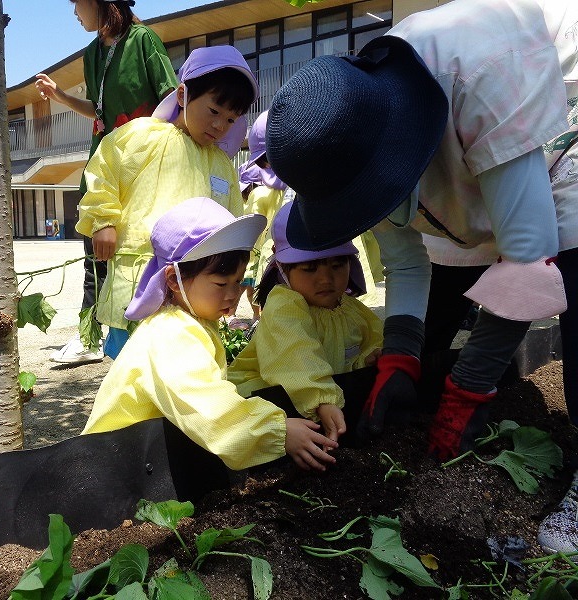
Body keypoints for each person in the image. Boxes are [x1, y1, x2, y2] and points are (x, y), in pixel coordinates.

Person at [267, 0, 578, 550]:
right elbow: (408, 259)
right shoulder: (350, 130)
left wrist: (470, 389)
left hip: (558, 92)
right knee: (431, 328)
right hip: (470, 129)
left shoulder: (482, 74)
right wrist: (399, 357)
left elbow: (527, 261)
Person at [82, 197, 339, 474]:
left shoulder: (191, 320)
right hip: (110, 467)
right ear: (173, 280)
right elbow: (206, 405)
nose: (233, 294)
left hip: (141, 459)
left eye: (238, 281)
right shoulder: (170, 334)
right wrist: (276, 430)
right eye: (220, 283)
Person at [75, 45, 257, 358]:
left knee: (188, 356)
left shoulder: (222, 163)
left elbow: (232, 219)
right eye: (214, 111)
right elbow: (104, 169)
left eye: (230, 120)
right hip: (139, 274)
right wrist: (103, 220)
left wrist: (235, 276)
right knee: (134, 357)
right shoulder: (143, 135)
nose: (219, 126)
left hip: (197, 286)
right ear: (183, 95)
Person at [37, 0, 177, 365]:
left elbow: (171, 100)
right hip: (104, 168)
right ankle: (89, 336)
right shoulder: (92, 53)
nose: (73, 12)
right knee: (93, 258)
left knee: (140, 254)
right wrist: (60, 96)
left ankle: (147, 334)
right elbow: (98, 110)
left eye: (76, 3)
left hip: (143, 173)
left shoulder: (143, 40)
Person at [228, 200, 382, 443]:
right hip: (270, 403)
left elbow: (350, 353)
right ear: (283, 269)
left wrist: (368, 358)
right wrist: (321, 398)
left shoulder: (352, 309)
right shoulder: (284, 306)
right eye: (310, 269)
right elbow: (295, 354)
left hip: (324, 403)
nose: (326, 279)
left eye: (337, 265)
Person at [238, 111, 289, 319]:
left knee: (261, 291)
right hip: (269, 254)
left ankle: (258, 318)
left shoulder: (260, 195)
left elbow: (252, 229)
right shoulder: (287, 189)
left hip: (258, 256)